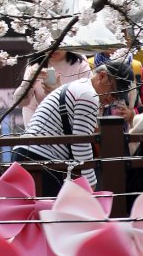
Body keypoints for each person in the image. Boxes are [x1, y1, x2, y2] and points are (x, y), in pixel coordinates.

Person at [12, 60, 134, 195]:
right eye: (114, 93)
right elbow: (81, 143)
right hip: (40, 157)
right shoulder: (89, 95)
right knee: (50, 214)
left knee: (37, 214)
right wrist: (91, 186)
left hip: (30, 153)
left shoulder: (80, 87)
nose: (113, 100)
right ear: (102, 76)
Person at [12, 49, 91, 126]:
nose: (54, 48)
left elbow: (87, 105)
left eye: (58, 43)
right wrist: (28, 83)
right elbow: (22, 103)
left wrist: (59, 93)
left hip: (72, 126)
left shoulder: (81, 66)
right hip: (40, 126)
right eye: (49, 43)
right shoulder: (35, 66)